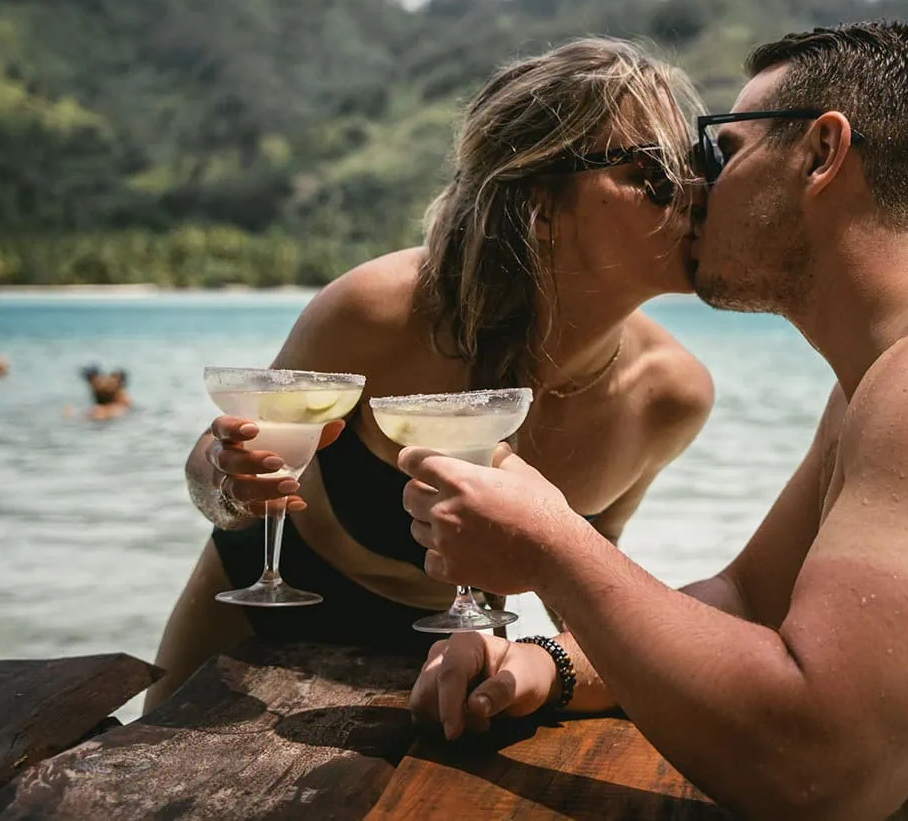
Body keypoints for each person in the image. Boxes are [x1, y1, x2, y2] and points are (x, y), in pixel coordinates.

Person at [401, 22, 908, 820]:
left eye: (720, 152)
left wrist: (550, 542)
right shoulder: (897, 371)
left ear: (823, 154)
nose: (697, 189)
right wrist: (550, 664)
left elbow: (815, 776)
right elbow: (747, 598)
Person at [144, 38, 716, 710]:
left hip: (442, 654)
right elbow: (217, 479)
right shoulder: (378, 313)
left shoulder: (671, 395)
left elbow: (589, 582)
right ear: (541, 205)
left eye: (698, 164)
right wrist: (229, 475)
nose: (696, 192)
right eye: (652, 170)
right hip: (254, 614)